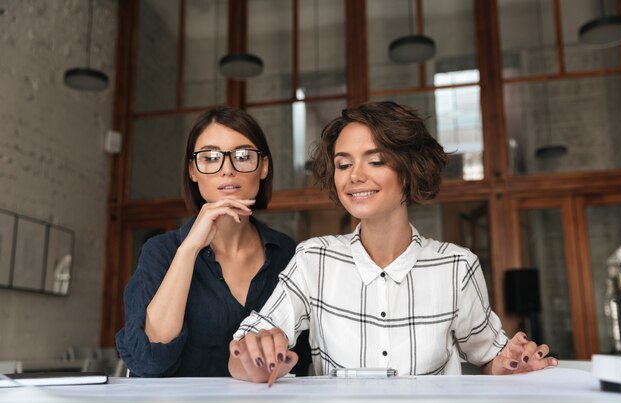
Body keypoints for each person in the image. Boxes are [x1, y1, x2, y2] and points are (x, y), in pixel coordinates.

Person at [228, 101, 558, 382]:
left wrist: (513, 363)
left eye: (375, 161)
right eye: (344, 164)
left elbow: (488, 355)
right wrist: (254, 357)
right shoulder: (313, 259)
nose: (355, 176)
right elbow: (242, 351)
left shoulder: (456, 267)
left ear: (408, 169)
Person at [116, 106, 310, 377]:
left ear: (263, 167)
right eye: (210, 157)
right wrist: (189, 249)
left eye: (243, 156)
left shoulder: (288, 253)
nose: (227, 170)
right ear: (193, 171)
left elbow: (301, 360)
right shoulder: (161, 251)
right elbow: (150, 361)